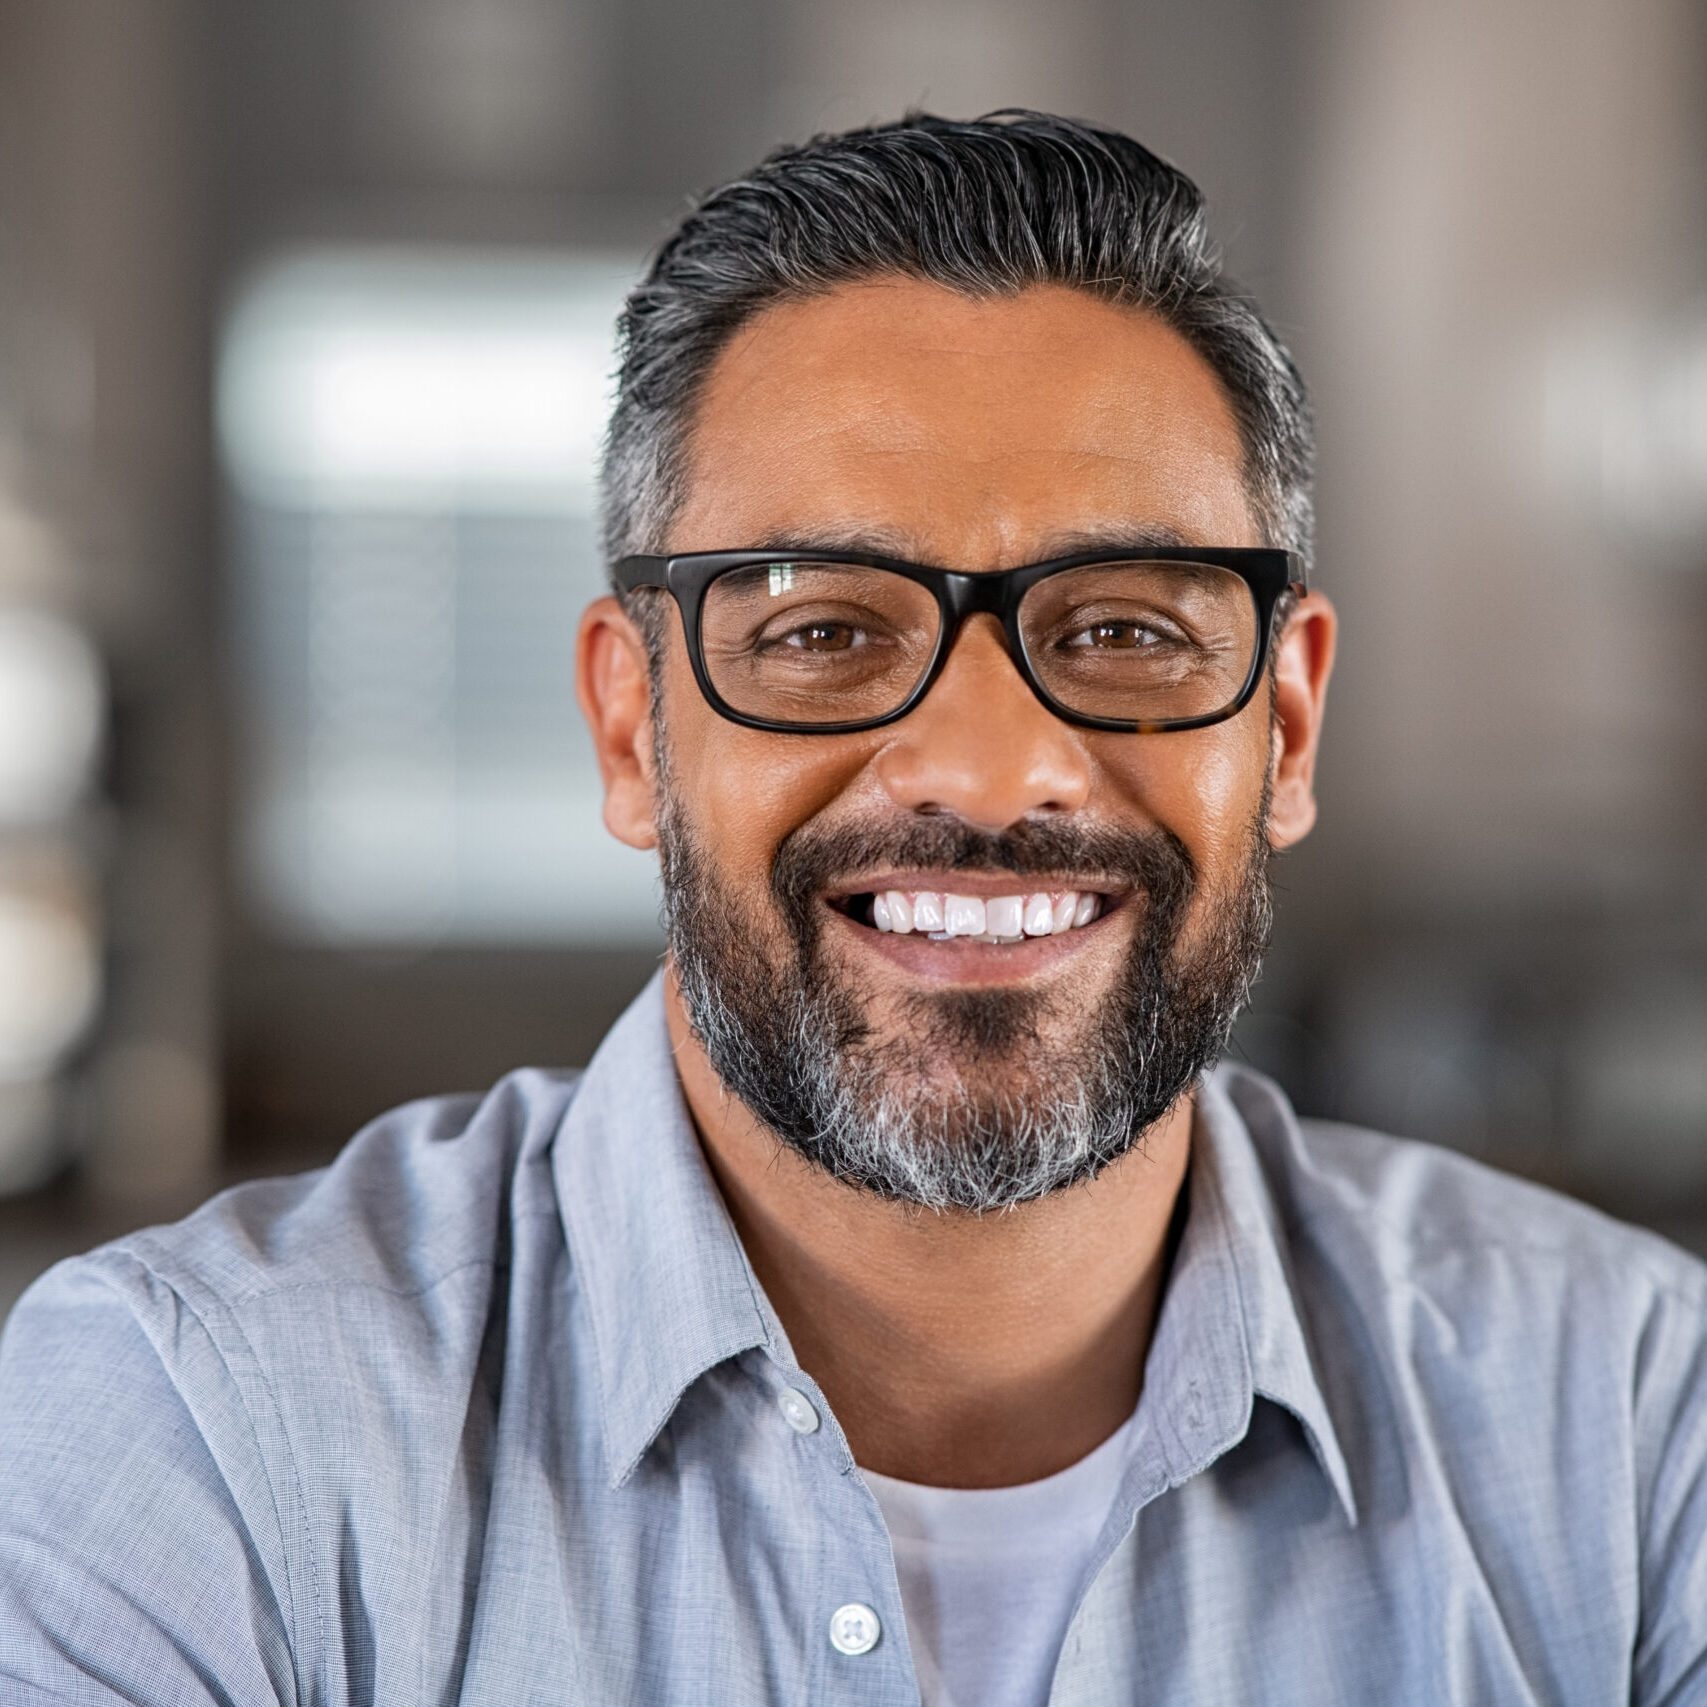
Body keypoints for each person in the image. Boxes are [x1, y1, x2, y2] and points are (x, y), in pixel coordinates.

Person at [2, 110, 1704, 1707]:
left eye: (1123, 629)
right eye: (822, 630)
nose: (988, 768)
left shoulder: (1636, 1430)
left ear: (1286, 721)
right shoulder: (196, 1435)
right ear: (629, 723)